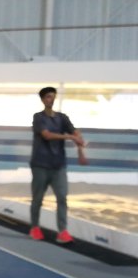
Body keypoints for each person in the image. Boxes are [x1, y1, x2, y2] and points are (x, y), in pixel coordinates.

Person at [30, 86, 87, 243]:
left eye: (53, 96)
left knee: (62, 198)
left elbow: (75, 132)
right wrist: (69, 137)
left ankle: (62, 231)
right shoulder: (38, 117)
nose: (51, 99)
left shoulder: (62, 118)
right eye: (48, 97)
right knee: (38, 199)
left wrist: (80, 146)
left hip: (58, 165)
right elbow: (46, 135)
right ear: (42, 99)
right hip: (40, 164)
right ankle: (35, 227)